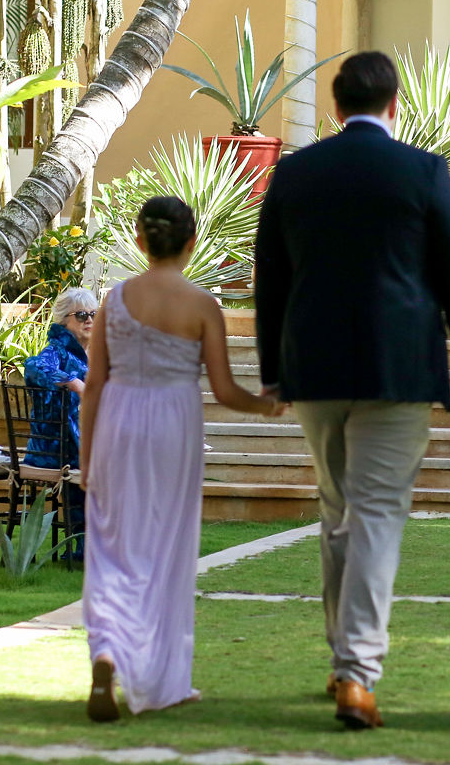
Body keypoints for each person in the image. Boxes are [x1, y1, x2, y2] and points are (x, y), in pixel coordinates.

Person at [254, 51, 450, 730]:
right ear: (394, 107)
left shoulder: (294, 173)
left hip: (314, 365)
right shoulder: (422, 169)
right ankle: (357, 673)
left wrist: (273, 369)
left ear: (335, 108)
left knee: (337, 513)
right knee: (376, 514)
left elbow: (271, 277)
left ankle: (341, 661)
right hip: (399, 366)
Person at [79, 197, 282, 722]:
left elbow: (94, 384)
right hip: (175, 423)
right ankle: (160, 677)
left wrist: (87, 458)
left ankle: (106, 651)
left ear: (141, 241)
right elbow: (222, 387)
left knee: (112, 541)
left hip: (119, 420)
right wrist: (264, 404)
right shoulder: (202, 305)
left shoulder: (114, 300)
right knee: (165, 545)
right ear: (191, 242)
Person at [23, 286, 98, 557]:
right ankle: (85, 545)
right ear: (64, 320)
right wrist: (73, 382)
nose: (89, 320)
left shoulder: (95, 353)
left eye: (93, 314)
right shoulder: (58, 350)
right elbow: (34, 366)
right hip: (54, 448)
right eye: (80, 315)